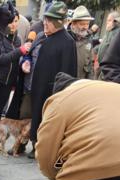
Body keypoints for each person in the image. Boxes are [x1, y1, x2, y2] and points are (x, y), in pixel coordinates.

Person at [27, 1, 77, 145]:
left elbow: (67, 73)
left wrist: (58, 92)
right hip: (39, 89)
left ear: (58, 23)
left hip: (52, 92)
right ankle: (35, 142)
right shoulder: (46, 38)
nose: (45, 23)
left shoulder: (68, 42)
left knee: (48, 122)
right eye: (45, 20)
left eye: (49, 21)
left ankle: (43, 145)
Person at [0, 5, 29, 136]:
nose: (13, 24)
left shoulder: (18, 39)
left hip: (7, 81)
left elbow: (15, 60)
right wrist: (19, 51)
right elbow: (1, 59)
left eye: (16, 21)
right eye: (12, 21)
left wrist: (24, 64)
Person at [68, 6, 94, 79]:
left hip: (80, 84)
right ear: (73, 24)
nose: (85, 27)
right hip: (66, 84)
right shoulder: (65, 39)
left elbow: (90, 66)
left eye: (87, 24)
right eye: (82, 24)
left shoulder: (88, 40)